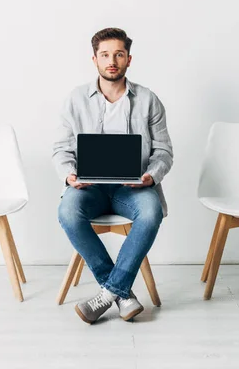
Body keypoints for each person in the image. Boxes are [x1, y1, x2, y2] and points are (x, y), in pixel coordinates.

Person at [53, 27, 173, 323]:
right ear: (94, 59)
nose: (112, 61)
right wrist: (70, 176)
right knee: (68, 213)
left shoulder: (148, 99)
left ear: (128, 59)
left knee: (150, 212)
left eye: (118, 54)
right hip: (88, 186)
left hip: (132, 187)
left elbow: (164, 151)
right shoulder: (75, 99)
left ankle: (108, 294)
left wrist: (150, 176)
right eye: (105, 55)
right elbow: (60, 148)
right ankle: (122, 293)